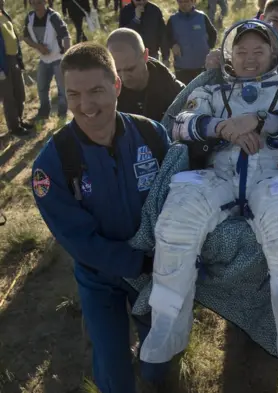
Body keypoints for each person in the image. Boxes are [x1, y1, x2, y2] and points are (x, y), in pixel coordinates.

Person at [140, 20, 278, 389]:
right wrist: (220, 128)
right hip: (220, 175)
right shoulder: (214, 91)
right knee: (176, 222)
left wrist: (260, 121)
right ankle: (166, 328)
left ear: (274, 53)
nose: (249, 58)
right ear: (229, 55)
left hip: (275, 178)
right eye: (241, 52)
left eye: (258, 51)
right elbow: (180, 123)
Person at [32, 42, 171, 393]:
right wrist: (135, 261)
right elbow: (77, 239)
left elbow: (178, 201)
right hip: (100, 277)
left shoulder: (153, 136)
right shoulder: (52, 163)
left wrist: (169, 260)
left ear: (117, 86)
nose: (85, 105)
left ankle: (156, 379)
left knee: (162, 356)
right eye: (73, 94)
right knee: (111, 367)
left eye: (96, 90)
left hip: (157, 272)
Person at [163, 0, 278, 135]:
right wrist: (212, 71)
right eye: (274, 21)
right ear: (261, 19)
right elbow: (194, 105)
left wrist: (266, 122)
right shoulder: (228, 58)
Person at [107, 28, 184, 122]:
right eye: (117, 71)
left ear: (145, 56)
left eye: (130, 69)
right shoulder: (108, 99)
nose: (124, 77)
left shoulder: (176, 93)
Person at [24, 0, 70, 121]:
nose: (36, 6)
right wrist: (38, 47)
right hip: (44, 60)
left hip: (58, 58)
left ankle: (62, 115)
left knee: (62, 89)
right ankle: (44, 112)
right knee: (42, 87)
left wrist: (67, 56)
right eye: (33, 3)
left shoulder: (54, 17)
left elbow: (66, 35)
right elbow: (25, 37)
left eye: (39, 2)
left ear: (45, 2)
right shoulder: (30, 17)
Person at [166, 0, 217, 85]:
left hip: (202, 65)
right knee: (185, 94)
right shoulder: (173, 20)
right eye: (180, 2)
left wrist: (208, 47)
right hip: (182, 66)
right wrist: (173, 44)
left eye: (186, 2)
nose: (183, 4)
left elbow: (213, 33)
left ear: (193, 1)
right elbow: (167, 37)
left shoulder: (202, 17)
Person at [0, 0, 31, 136]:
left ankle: (20, 120)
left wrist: (19, 58)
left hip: (13, 59)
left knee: (19, 91)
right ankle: (14, 127)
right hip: (2, 62)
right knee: (9, 96)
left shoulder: (4, 14)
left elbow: (13, 38)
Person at [119, 0, 169, 64]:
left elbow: (162, 35)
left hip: (152, 55)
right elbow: (123, 34)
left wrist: (165, 57)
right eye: (138, 0)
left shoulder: (155, 10)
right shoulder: (125, 11)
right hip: (132, 56)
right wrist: (136, 19)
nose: (141, 2)